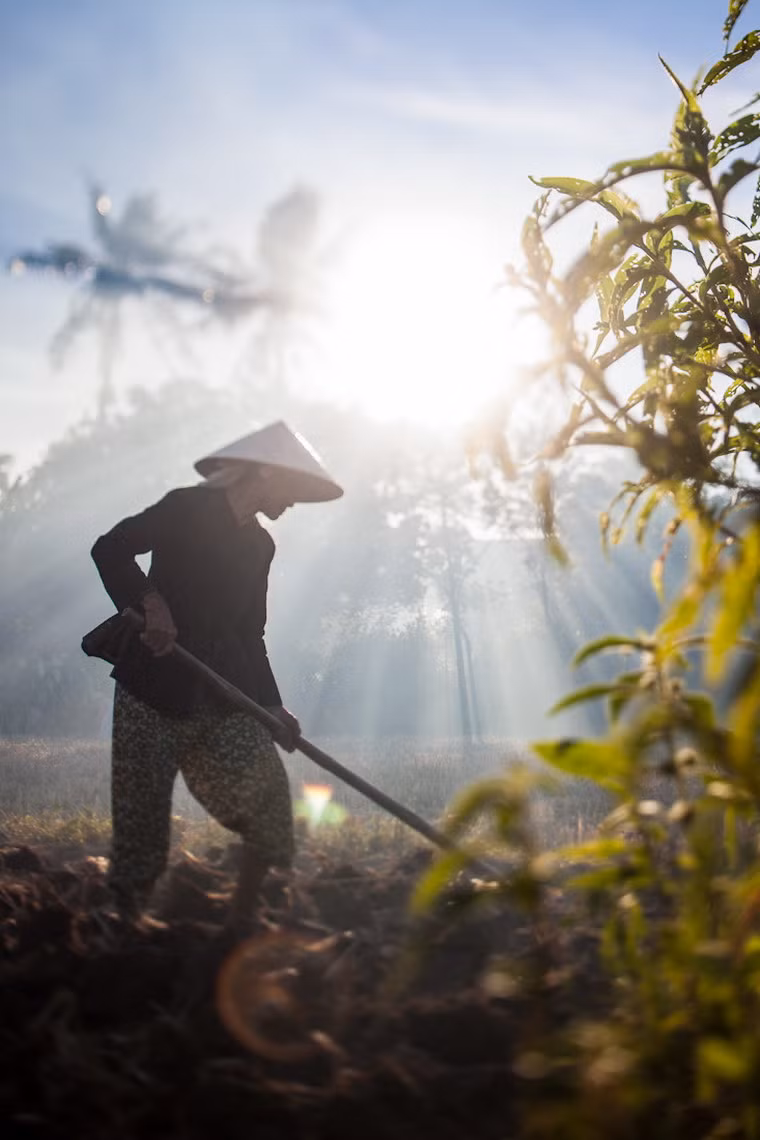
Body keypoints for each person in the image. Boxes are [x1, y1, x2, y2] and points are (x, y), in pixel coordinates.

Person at [89, 420, 343, 928]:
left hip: (222, 696)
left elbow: (250, 633)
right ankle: (120, 931)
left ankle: (242, 921)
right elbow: (110, 549)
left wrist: (271, 705)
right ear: (267, 474)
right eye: (292, 487)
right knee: (141, 832)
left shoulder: (260, 547)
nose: (293, 502)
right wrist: (150, 602)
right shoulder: (185, 509)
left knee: (269, 804)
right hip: (153, 692)